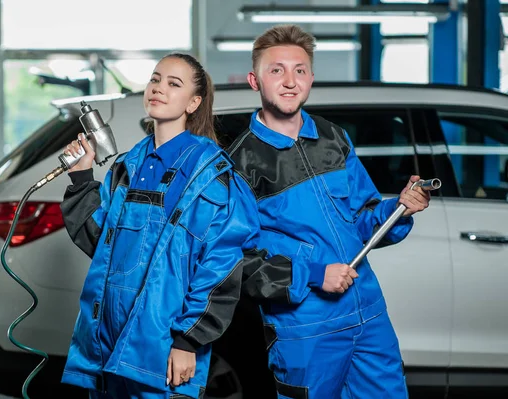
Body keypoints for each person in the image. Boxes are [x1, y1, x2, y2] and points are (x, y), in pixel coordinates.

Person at [58, 52, 280, 399]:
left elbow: (220, 267)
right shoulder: (129, 165)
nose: (158, 88)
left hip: (163, 342)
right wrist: (82, 178)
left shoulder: (211, 176)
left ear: (193, 102)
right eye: (155, 79)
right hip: (107, 339)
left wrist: (188, 339)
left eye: (173, 84)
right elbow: (102, 244)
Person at [227, 25, 431, 398]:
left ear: (311, 78)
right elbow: (237, 263)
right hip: (306, 326)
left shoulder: (333, 137)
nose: (290, 81)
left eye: (300, 70)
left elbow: (364, 217)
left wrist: (399, 209)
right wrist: (314, 275)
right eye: (277, 70)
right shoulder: (240, 164)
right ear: (255, 80)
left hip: (367, 312)